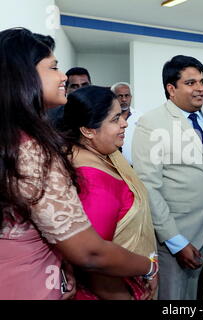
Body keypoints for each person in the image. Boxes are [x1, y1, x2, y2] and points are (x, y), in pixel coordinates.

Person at [0, 27, 154, 300]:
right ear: (24, 76)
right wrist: (148, 267)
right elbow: (90, 252)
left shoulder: (13, 138)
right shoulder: (29, 149)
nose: (63, 77)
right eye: (53, 68)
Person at [132, 55, 203, 300]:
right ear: (171, 89)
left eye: (202, 81)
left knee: (192, 294)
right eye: (191, 83)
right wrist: (175, 241)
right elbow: (149, 187)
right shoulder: (152, 123)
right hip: (172, 234)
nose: (200, 88)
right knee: (173, 296)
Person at [60, 85, 157, 300]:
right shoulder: (92, 182)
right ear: (87, 130)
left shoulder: (103, 155)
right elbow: (95, 262)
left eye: (121, 116)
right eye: (115, 119)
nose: (124, 123)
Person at [111, 82, 135, 164]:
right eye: (120, 96)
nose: (124, 99)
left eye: (127, 96)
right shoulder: (106, 118)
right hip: (114, 165)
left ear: (131, 97)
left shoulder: (141, 117)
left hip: (136, 168)